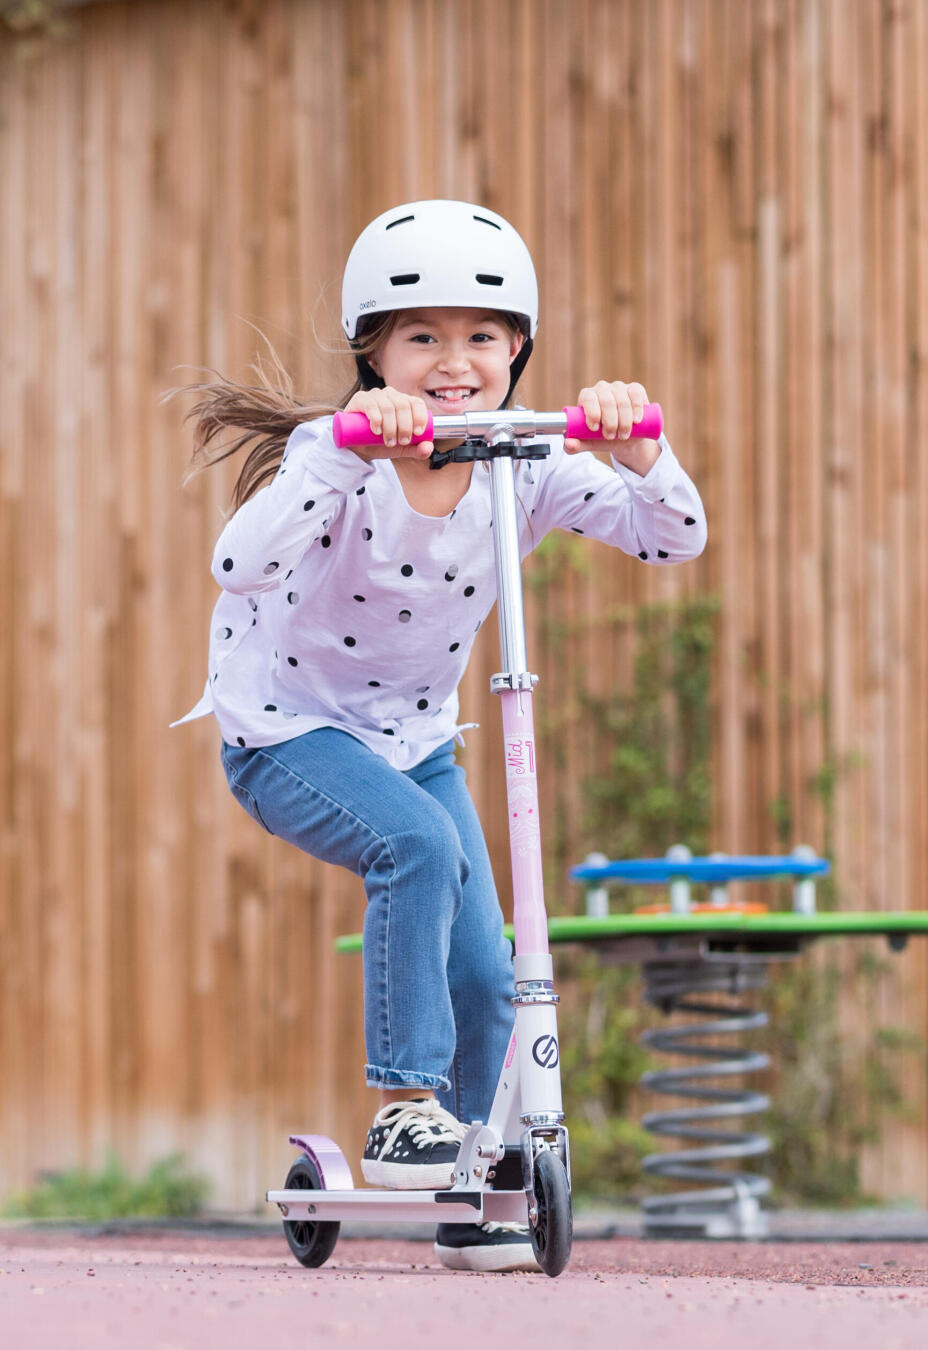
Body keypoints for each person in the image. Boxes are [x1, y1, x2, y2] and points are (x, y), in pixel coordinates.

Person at [176, 199, 706, 1271]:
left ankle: (475, 1188)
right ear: (371, 350)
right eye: (421, 337)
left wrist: (642, 448)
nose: (452, 362)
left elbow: (673, 541)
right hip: (288, 734)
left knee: (488, 964)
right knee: (414, 849)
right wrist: (337, 449)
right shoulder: (341, 457)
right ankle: (404, 1105)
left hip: (420, 742)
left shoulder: (529, 463)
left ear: (519, 350)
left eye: (481, 337)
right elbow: (237, 566)